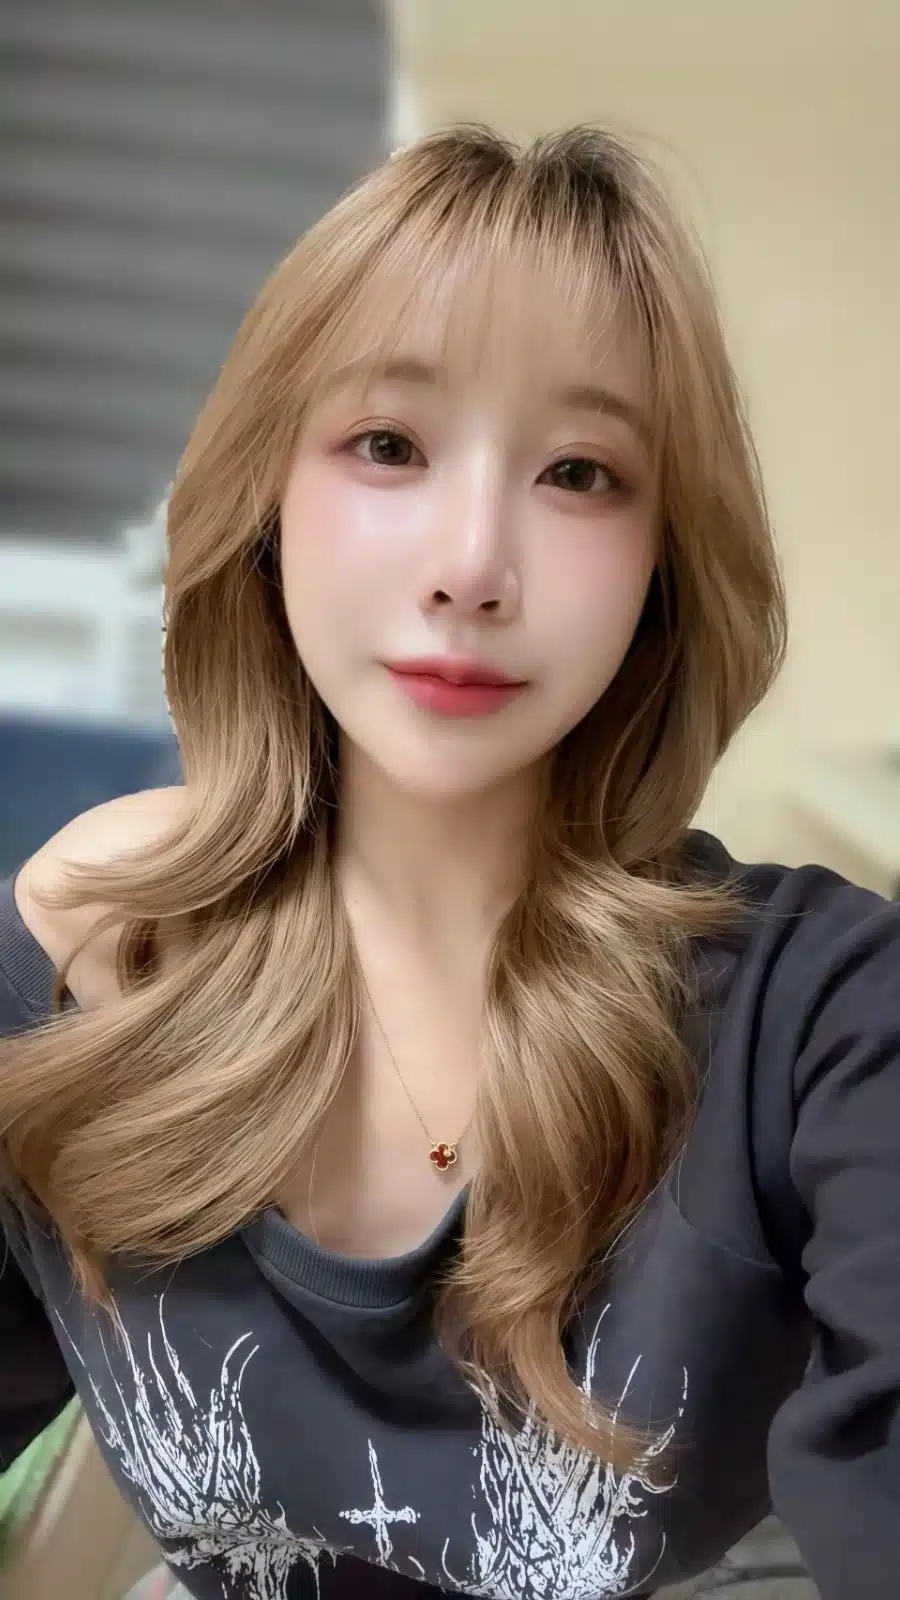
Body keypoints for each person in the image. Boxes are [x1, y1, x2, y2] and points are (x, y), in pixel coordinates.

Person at [0, 124, 897, 1600]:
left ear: (664, 563)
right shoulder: (79, 968)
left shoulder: (818, 1020)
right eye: (389, 446)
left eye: (579, 472)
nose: (473, 565)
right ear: (267, 504)